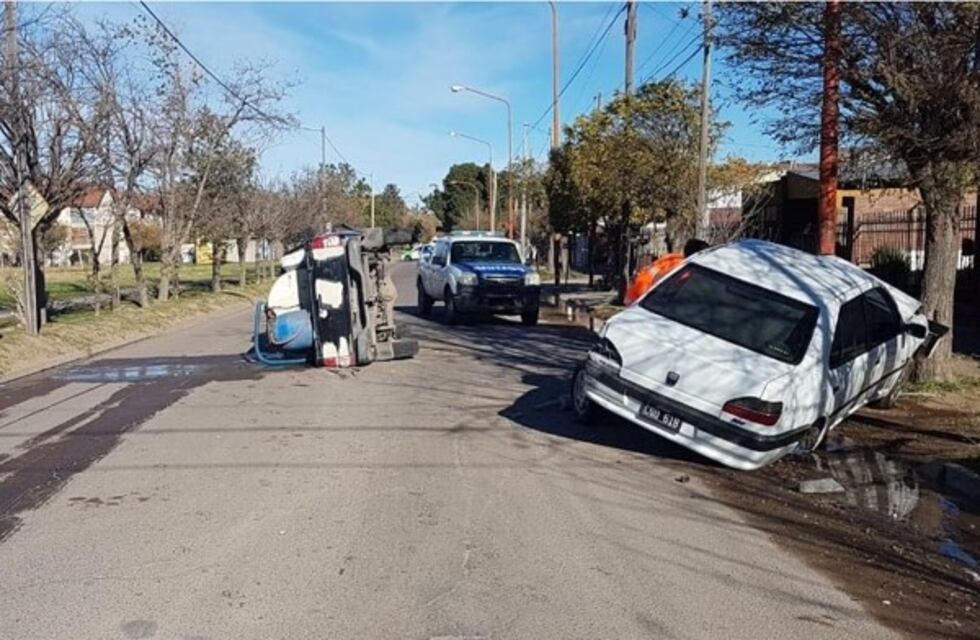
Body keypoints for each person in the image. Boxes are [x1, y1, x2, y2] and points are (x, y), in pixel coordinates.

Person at [623, 238, 710, 306]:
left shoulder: (672, 257)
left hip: (634, 293)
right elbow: (659, 280)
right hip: (641, 299)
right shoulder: (683, 269)